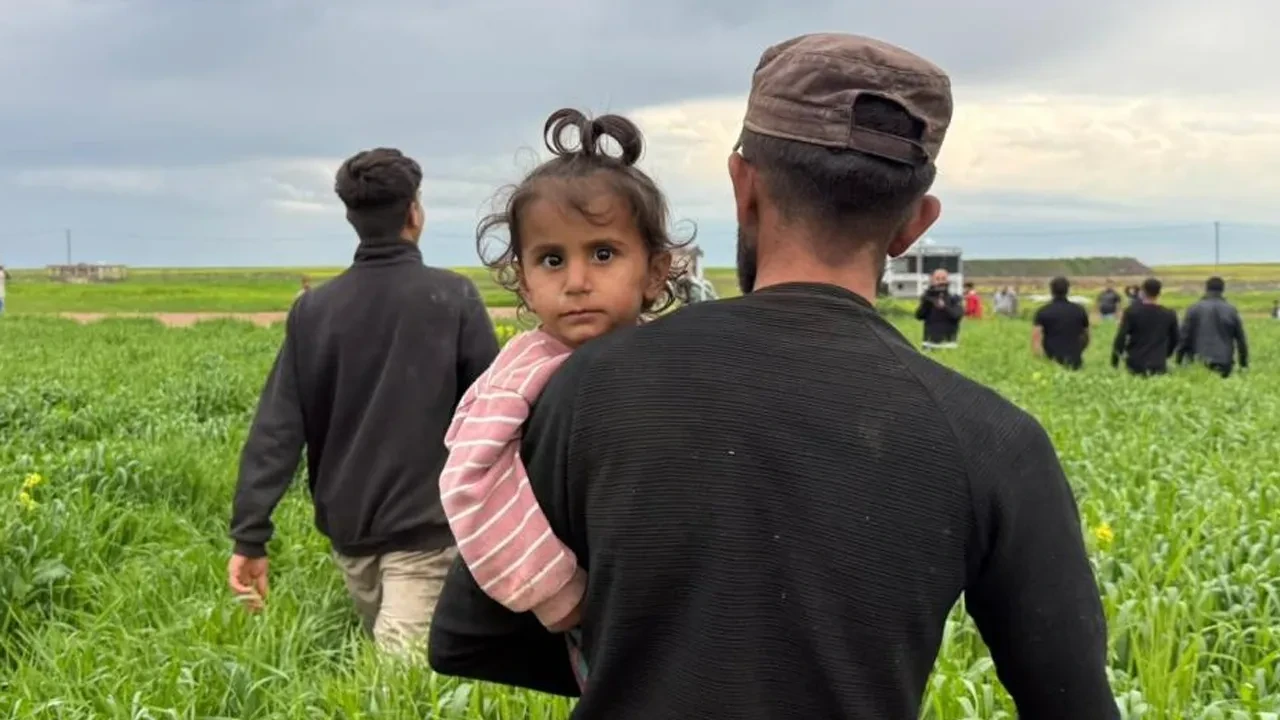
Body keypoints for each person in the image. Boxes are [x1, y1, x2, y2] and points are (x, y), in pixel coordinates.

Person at [429, 33, 1117, 720]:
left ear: (744, 185)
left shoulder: (581, 386)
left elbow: (469, 636)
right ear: (914, 223)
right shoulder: (994, 440)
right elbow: (1075, 702)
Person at [438, 108, 682, 686]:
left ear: (655, 271)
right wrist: (560, 595)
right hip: (591, 610)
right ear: (523, 279)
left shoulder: (673, 356)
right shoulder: (524, 372)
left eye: (603, 254)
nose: (576, 280)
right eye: (552, 260)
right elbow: (471, 485)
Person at [227, 148, 500, 653]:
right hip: (427, 526)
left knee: (398, 684)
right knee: (404, 687)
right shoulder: (453, 297)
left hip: (364, 536)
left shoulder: (314, 310)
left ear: (352, 219)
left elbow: (277, 430)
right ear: (414, 214)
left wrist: (251, 536)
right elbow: (498, 418)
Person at [1176, 276, 1248, 378]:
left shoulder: (1194, 309)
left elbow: (1184, 337)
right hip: (1224, 361)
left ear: (1206, 289)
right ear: (1223, 290)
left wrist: (1178, 360)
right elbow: (1241, 340)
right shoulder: (1231, 310)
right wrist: (1243, 364)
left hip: (1198, 362)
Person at [1111, 277, 1178, 376]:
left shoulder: (1132, 312)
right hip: (1158, 363)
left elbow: (1121, 337)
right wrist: (1166, 354)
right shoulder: (1169, 314)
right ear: (1159, 293)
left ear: (1143, 292)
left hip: (1135, 363)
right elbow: (1175, 339)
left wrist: (1115, 360)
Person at [1033, 276, 1090, 369]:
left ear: (1051, 290)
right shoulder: (1079, 310)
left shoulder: (1043, 312)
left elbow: (1036, 341)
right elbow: (1086, 337)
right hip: (1074, 361)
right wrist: (1078, 351)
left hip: (1051, 362)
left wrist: (1042, 361)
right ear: (1068, 290)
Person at [915, 268, 963, 347]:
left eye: (943, 278)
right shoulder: (927, 298)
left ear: (948, 280)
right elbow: (919, 316)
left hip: (949, 344)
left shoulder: (954, 298)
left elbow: (957, 316)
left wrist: (944, 307)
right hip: (929, 343)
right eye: (937, 279)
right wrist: (926, 302)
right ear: (931, 281)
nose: (941, 281)